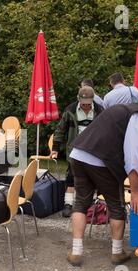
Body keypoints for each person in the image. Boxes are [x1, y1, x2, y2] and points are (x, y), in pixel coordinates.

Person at [67, 92, 138, 267]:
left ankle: (76, 252)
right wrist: (136, 192)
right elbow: (132, 158)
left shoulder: (122, 109)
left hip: (78, 154)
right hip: (101, 160)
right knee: (116, 204)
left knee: (81, 203)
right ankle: (117, 252)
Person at [50, 86, 104, 218]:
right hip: (75, 150)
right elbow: (60, 130)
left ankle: (93, 204)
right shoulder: (70, 110)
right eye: (83, 103)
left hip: (93, 150)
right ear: (78, 99)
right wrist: (55, 149)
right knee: (71, 178)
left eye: (88, 104)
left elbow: (105, 131)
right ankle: (68, 204)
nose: (86, 106)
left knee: (94, 177)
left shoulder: (99, 110)